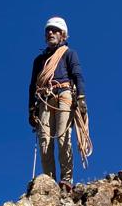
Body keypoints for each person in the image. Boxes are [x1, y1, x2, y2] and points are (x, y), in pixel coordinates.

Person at [28, 17, 87, 190]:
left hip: (64, 93)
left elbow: (77, 76)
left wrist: (81, 98)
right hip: (44, 97)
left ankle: (66, 180)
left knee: (63, 137)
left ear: (63, 35)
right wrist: (31, 108)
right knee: (44, 141)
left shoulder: (69, 53)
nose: (50, 33)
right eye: (48, 30)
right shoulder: (39, 61)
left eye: (55, 30)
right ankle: (49, 182)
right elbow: (32, 86)